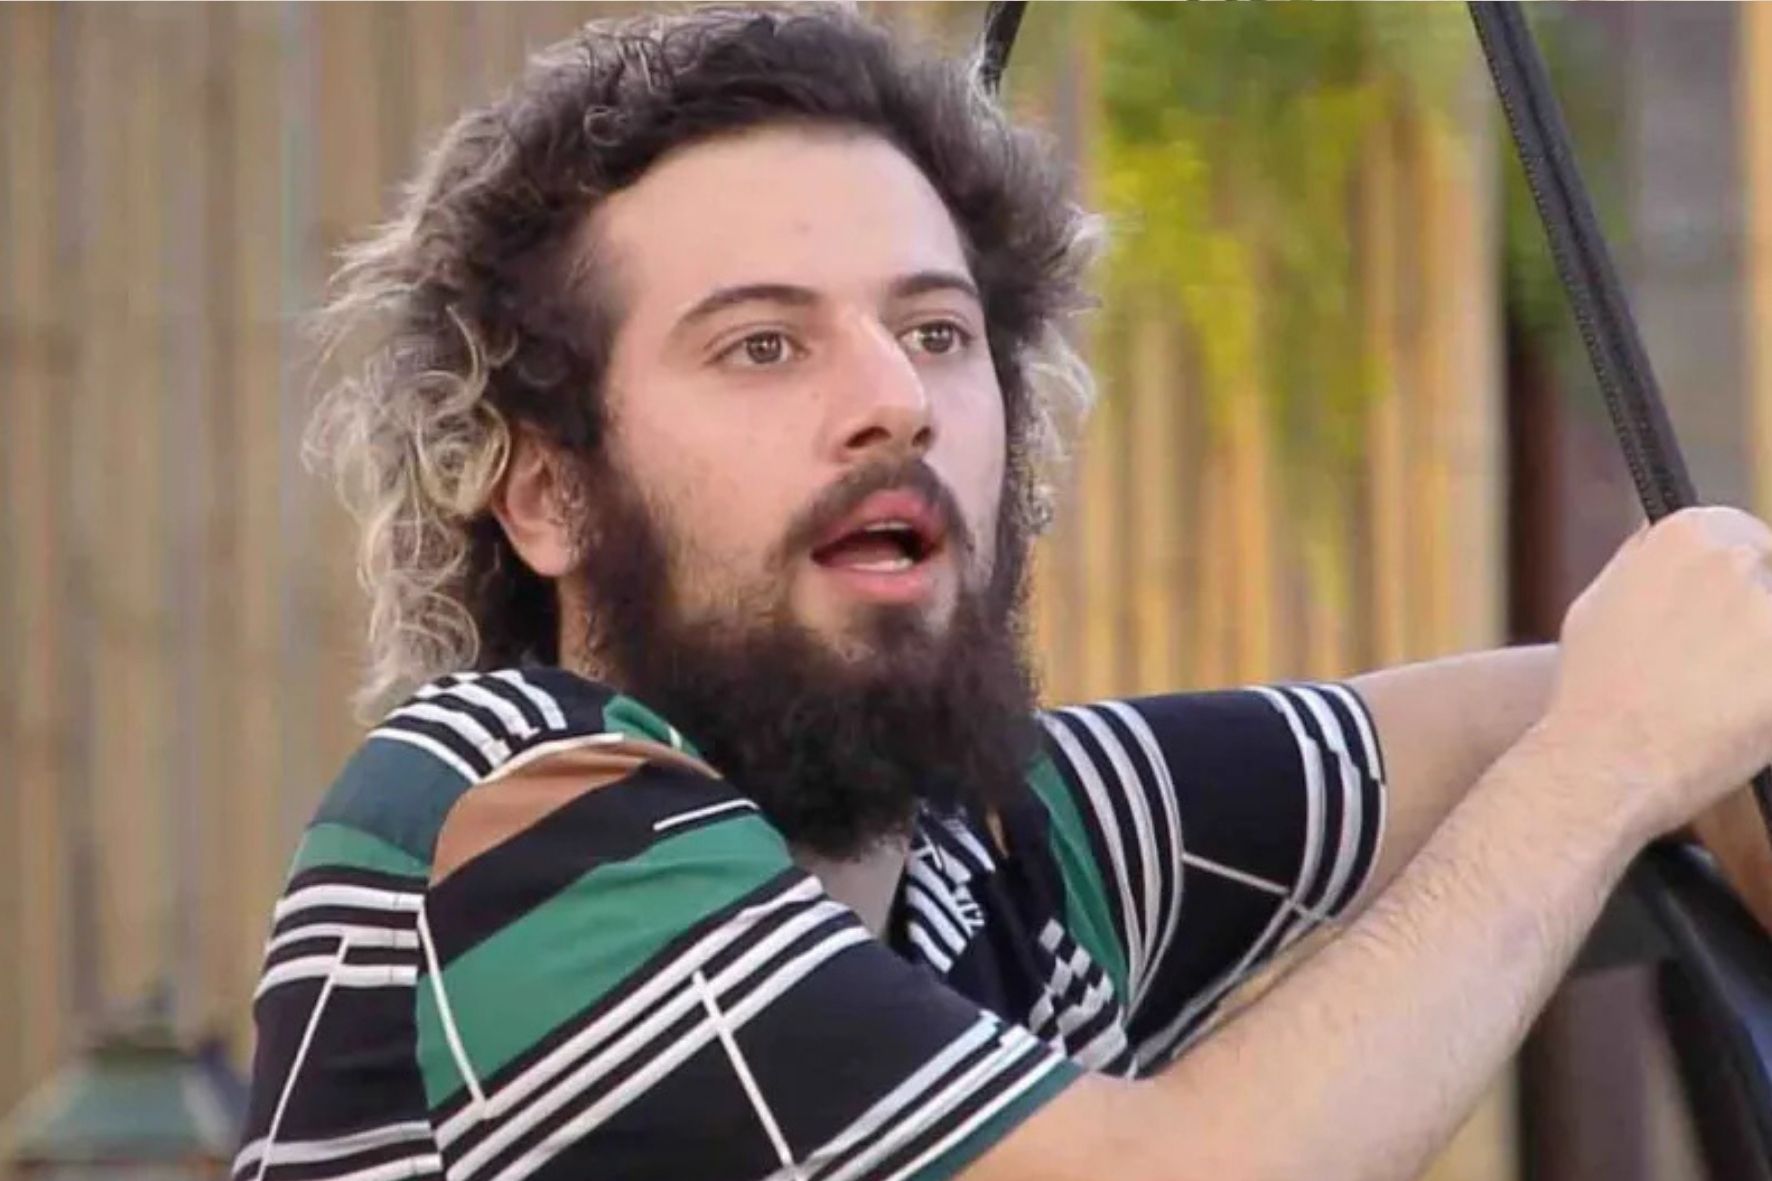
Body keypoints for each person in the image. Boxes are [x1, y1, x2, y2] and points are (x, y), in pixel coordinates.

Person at [236, 7, 1772, 1181]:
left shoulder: (1009, 846)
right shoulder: (509, 828)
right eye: (763, 345)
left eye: (938, 332)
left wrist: (1672, 729)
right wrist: (1605, 770)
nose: (895, 400)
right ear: (545, 493)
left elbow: (1604, 697)